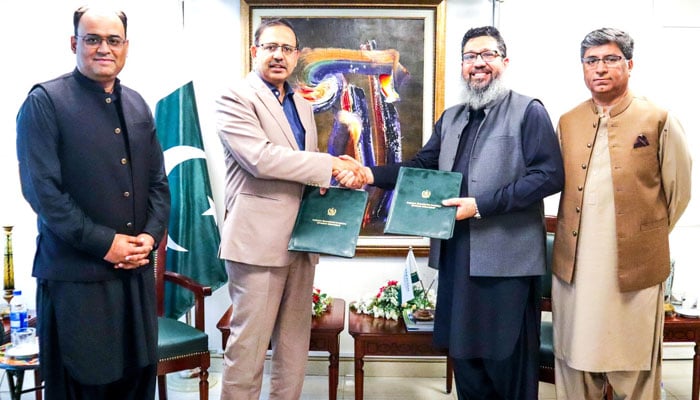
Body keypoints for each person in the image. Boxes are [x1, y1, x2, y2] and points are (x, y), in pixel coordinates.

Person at [341, 26, 564, 399]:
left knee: (504, 362)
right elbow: (422, 167)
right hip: (458, 258)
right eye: (470, 57)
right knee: (466, 361)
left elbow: (549, 175)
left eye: (488, 55)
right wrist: (369, 173)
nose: (479, 64)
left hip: (505, 264)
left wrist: (482, 206)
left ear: (504, 62)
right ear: (462, 66)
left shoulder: (529, 111)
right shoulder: (452, 117)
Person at [15, 5, 170, 400]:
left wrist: (149, 239)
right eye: (93, 39)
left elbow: (158, 184)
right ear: (74, 43)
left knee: (137, 386)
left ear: (126, 47)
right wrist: (107, 243)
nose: (104, 48)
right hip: (77, 282)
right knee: (84, 389)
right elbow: (43, 194)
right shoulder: (44, 102)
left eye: (113, 40)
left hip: (134, 277)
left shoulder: (137, 104)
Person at [215, 18, 365, 399]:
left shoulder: (299, 101)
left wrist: (339, 175)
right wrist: (332, 165)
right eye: (270, 47)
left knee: (294, 348)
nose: (279, 55)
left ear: (297, 56)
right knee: (248, 351)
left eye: (287, 48)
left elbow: (304, 163)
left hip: (302, 239)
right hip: (257, 243)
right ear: (255, 52)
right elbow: (261, 159)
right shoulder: (235, 97)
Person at [551, 27, 692, 399]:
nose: (600, 68)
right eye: (591, 61)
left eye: (611, 59)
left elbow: (678, 193)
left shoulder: (657, 118)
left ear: (629, 64)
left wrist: (641, 232)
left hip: (635, 268)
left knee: (634, 366)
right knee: (575, 362)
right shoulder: (567, 121)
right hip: (576, 268)